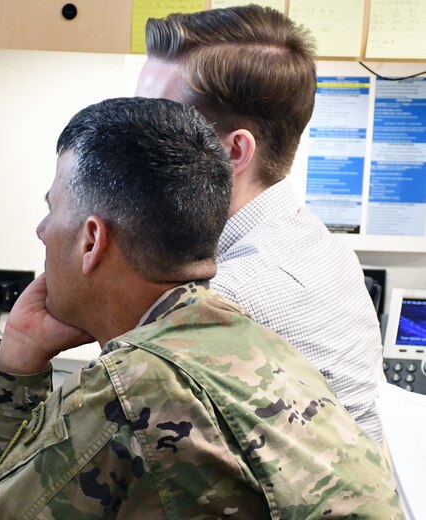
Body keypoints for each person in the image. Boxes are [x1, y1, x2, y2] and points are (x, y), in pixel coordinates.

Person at [0, 97, 402, 518]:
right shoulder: (251, 341)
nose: (42, 231)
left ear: (92, 240)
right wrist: (23, 352)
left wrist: (12, 373)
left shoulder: (134, 388)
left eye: (52, 209)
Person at [135, 5, 385, 443]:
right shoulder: (325, 249)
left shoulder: (224, 302)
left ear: (233, 153)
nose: (133, 147)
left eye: (157, 127)